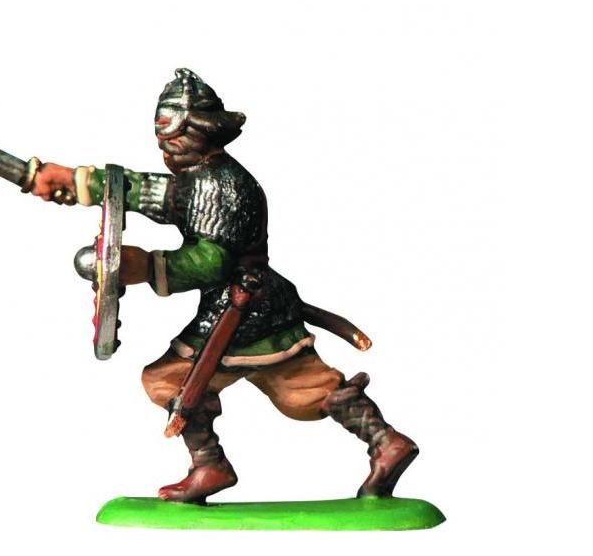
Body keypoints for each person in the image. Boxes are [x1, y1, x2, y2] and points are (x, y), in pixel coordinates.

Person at [30, 68, 419, 504]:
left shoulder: (220, 185)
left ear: (194, 132)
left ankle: (210, 465)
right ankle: (385, 443)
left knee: (172, 380)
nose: (162, 144)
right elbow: (147, 191)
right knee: (305, 388)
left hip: (242, 308)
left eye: (168, 132)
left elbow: (211, 262)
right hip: (255, 305)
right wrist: (71, 179)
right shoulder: (198, 177)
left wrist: (144, 266)